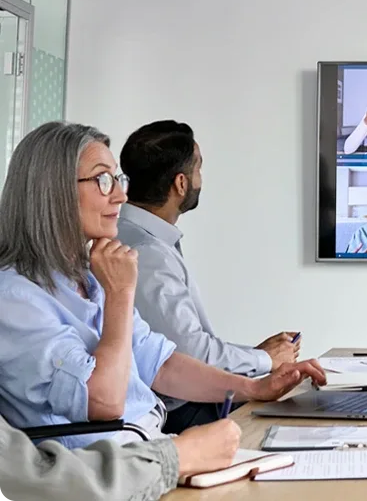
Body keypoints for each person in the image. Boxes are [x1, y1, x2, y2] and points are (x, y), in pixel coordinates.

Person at [0, 121, 327, 450]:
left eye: (117, 179)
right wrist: (120, 295)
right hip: (103, 471)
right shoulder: (16, 299)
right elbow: (104, 402)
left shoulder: (86, 276)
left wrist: (254, 388)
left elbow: (160, 363)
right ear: (54, 193)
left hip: (149, 449)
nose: (120, 194)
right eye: (102, 180)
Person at [116, 120, 303, 433]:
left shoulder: (136, 237)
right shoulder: (148, 254)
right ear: (180, 184)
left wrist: (256, 357)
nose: (201, 178)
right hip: (179, 414)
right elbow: (190, 353)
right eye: (198, 169)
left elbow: (184, 344)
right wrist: (264, 360)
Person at [0, 414, 239, 500]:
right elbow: (54, 486)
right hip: (128, 462)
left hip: (142, 454)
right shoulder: (20, 305)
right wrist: (181, 454)